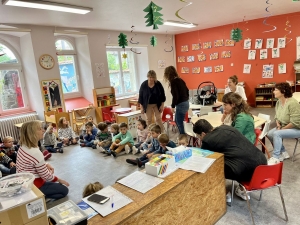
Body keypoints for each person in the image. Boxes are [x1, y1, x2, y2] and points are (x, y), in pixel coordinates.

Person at [193, 119, 267, 201]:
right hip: (262, 164)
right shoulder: (226, 128)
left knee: (211, 167)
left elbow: (203, 159)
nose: (199, 139)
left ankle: (225, 193)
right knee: (237, 156)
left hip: (246, 171)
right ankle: (242, 190)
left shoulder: (207, 140)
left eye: (199, 136)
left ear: (203, 134)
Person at [16, 121, 69, 200]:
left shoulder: (23, 146)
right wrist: (59, 180)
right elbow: (46, 176)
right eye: (40, 129)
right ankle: (40, 197)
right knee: (64, 191)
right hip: (33, 185)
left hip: (23, 181)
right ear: (32, 133)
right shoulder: (35, 152)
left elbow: (33, 162)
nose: (43, 130)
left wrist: (46, 164)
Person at [267, 82, 300, 165]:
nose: (274, 91)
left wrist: (282, 129)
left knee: (277, 134)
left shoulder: (293, 103)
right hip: (284, 127)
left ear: (283, 91)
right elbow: (277, 116)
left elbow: (295, 122)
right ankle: (284, 152)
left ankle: (276, 157)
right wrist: (278, 125)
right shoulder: (278, 102)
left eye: (276, 90)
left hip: (296, 128)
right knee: (270, 134)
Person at [163, 66, 189, 134]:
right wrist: (186, 99)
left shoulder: (173, 82)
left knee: (179, 123)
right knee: (178, 122)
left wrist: (173, 106)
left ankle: (183, 138)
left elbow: (175, 96)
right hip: (186, 102)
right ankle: (183, 137)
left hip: (181, 104)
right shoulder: (180, 80)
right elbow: (187, 90)